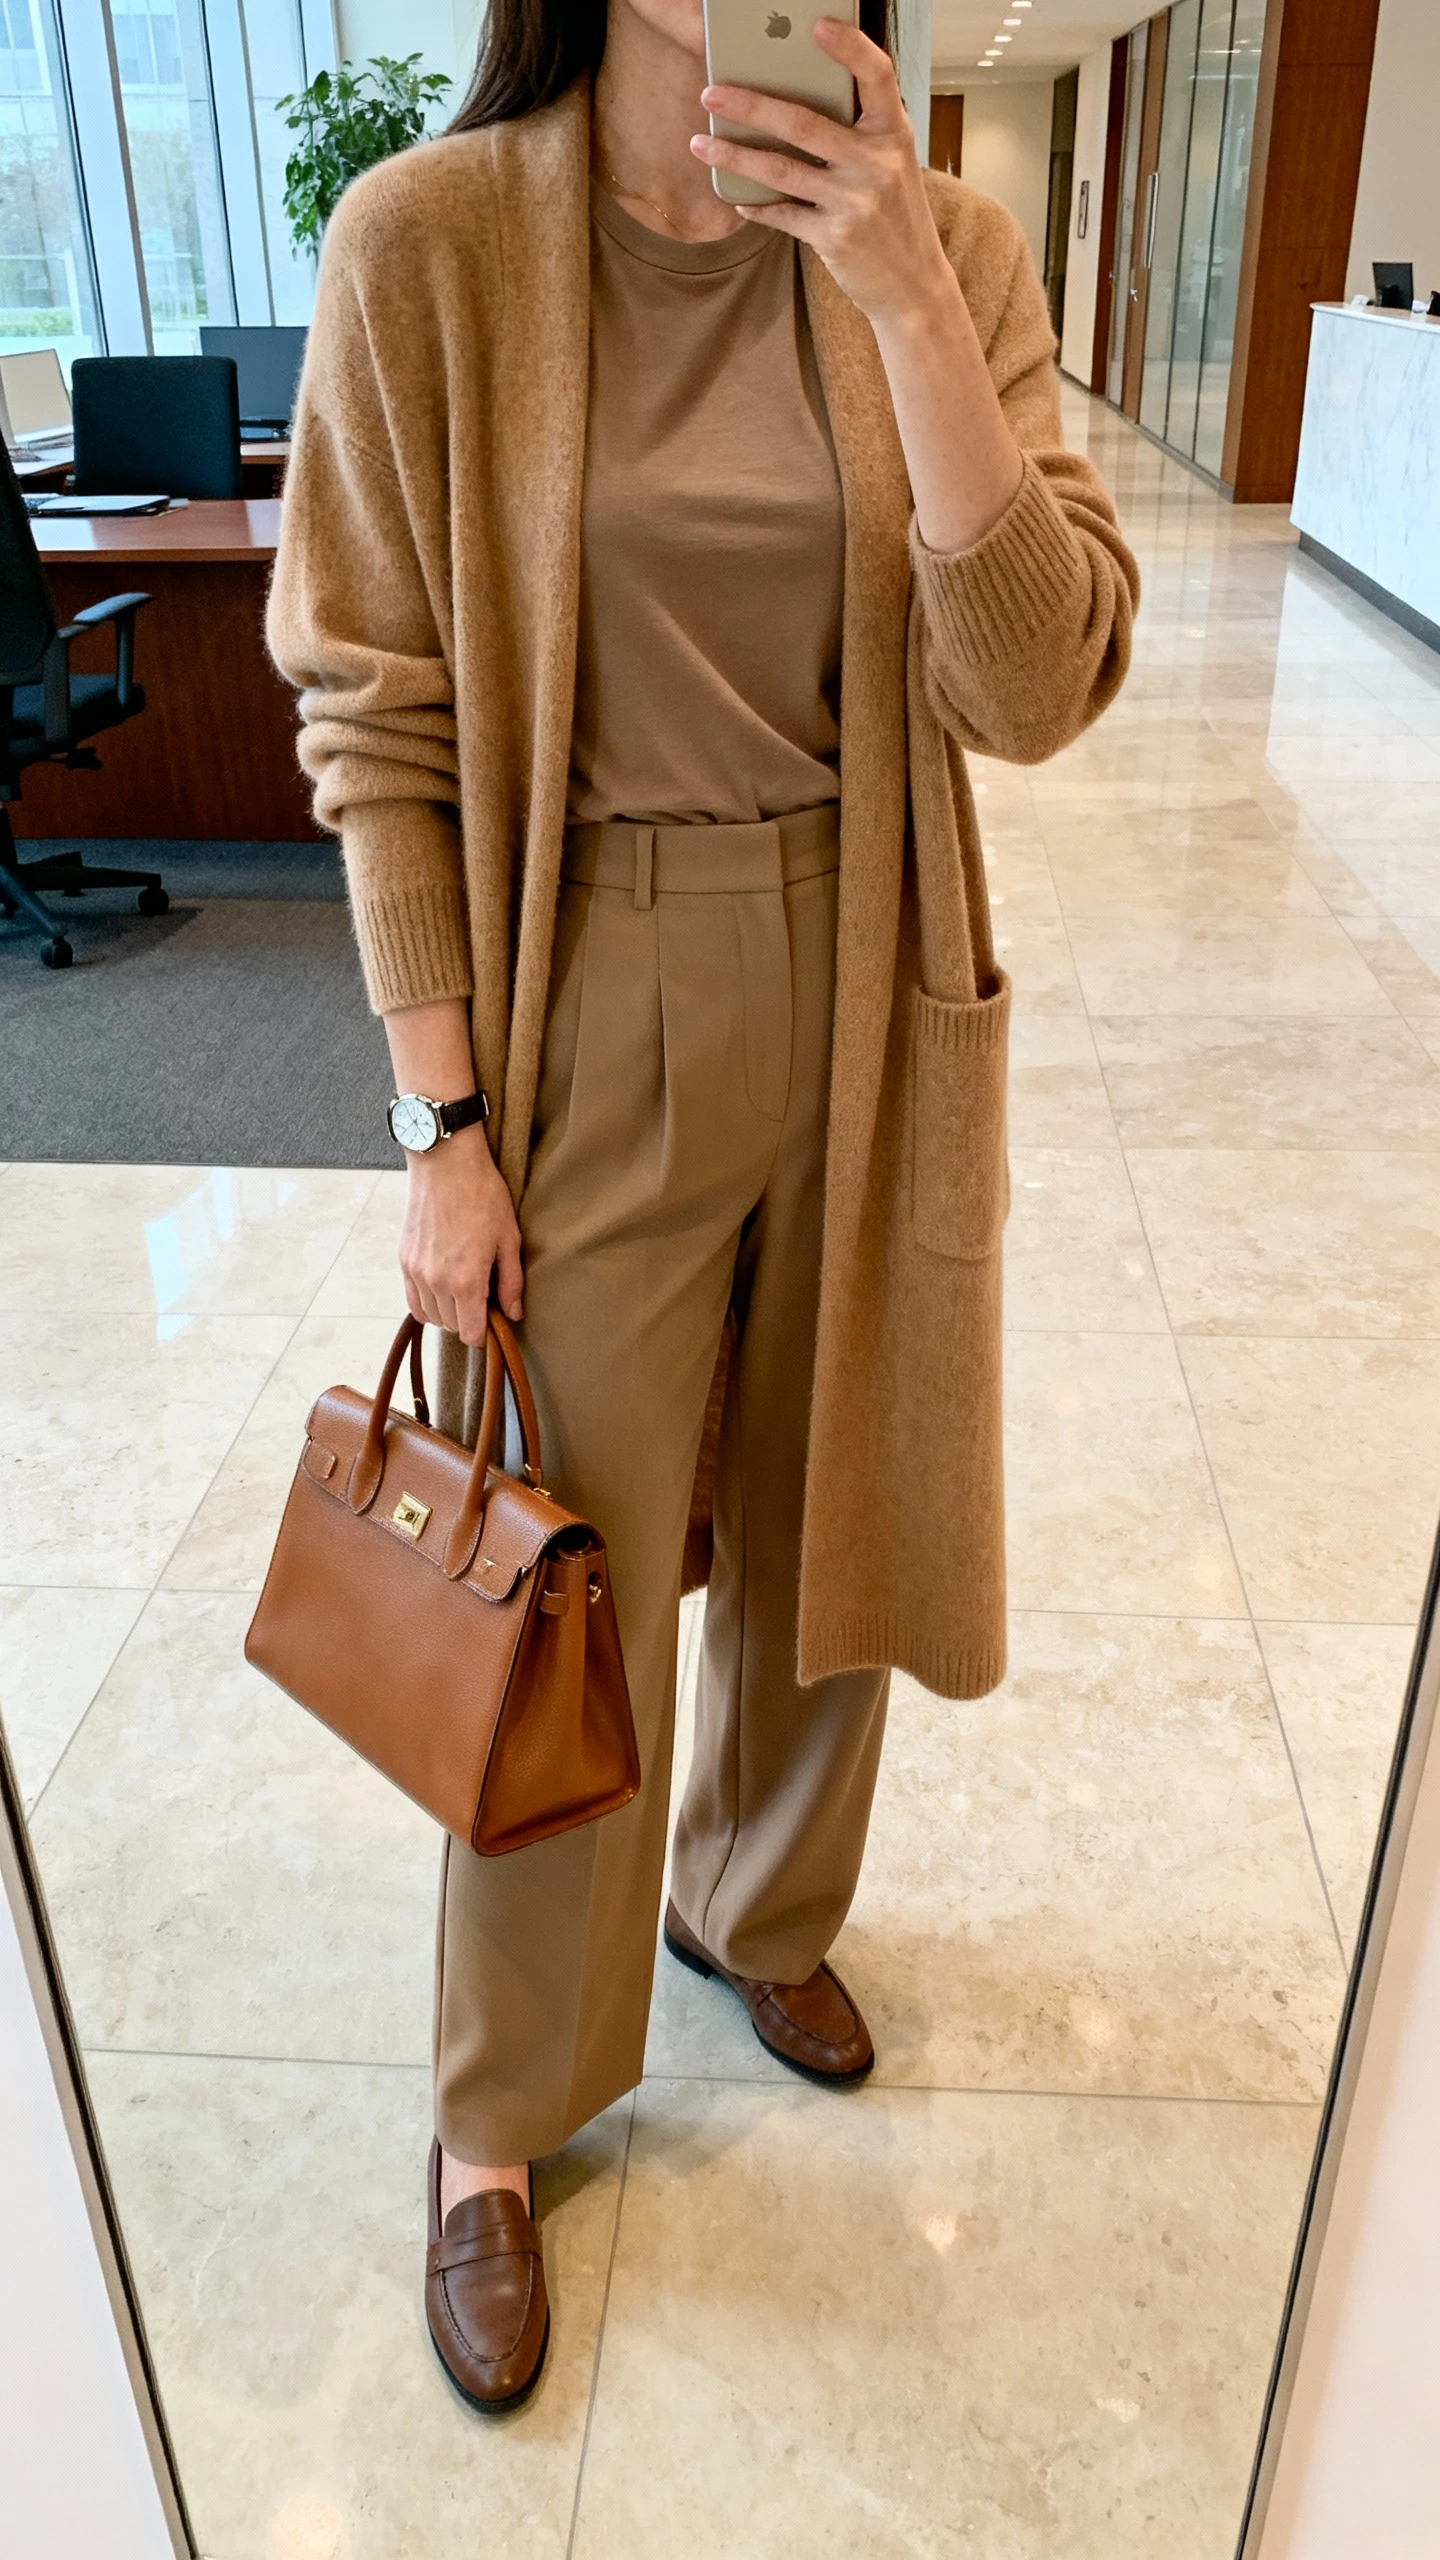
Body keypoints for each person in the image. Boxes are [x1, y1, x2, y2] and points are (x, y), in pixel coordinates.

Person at [268, 0, 1137, 2414]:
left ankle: (757, 1907)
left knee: (830, 1477)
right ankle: (490, 2123)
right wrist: (440, 1120)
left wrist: (901, 304)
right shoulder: (429, 245)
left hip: (873, 955)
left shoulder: (943, 243)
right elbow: (377, 711)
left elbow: (1042, 678)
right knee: (570, 1571)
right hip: (590, 983)